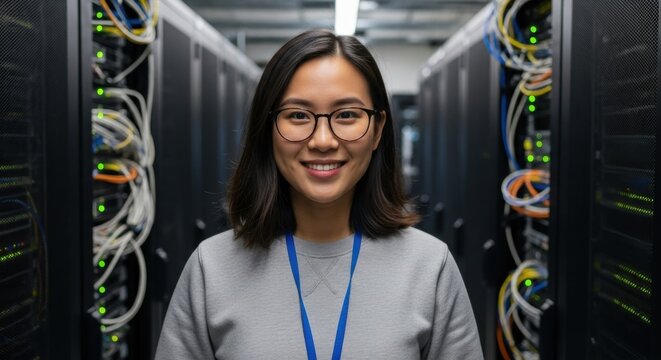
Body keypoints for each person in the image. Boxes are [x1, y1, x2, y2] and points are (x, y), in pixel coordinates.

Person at [155, 29, 483, 360]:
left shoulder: (430, 267)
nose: (323, 140)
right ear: (267, 128)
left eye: (347, 115)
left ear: (378, 130)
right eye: (298, 115)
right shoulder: (210, 269)